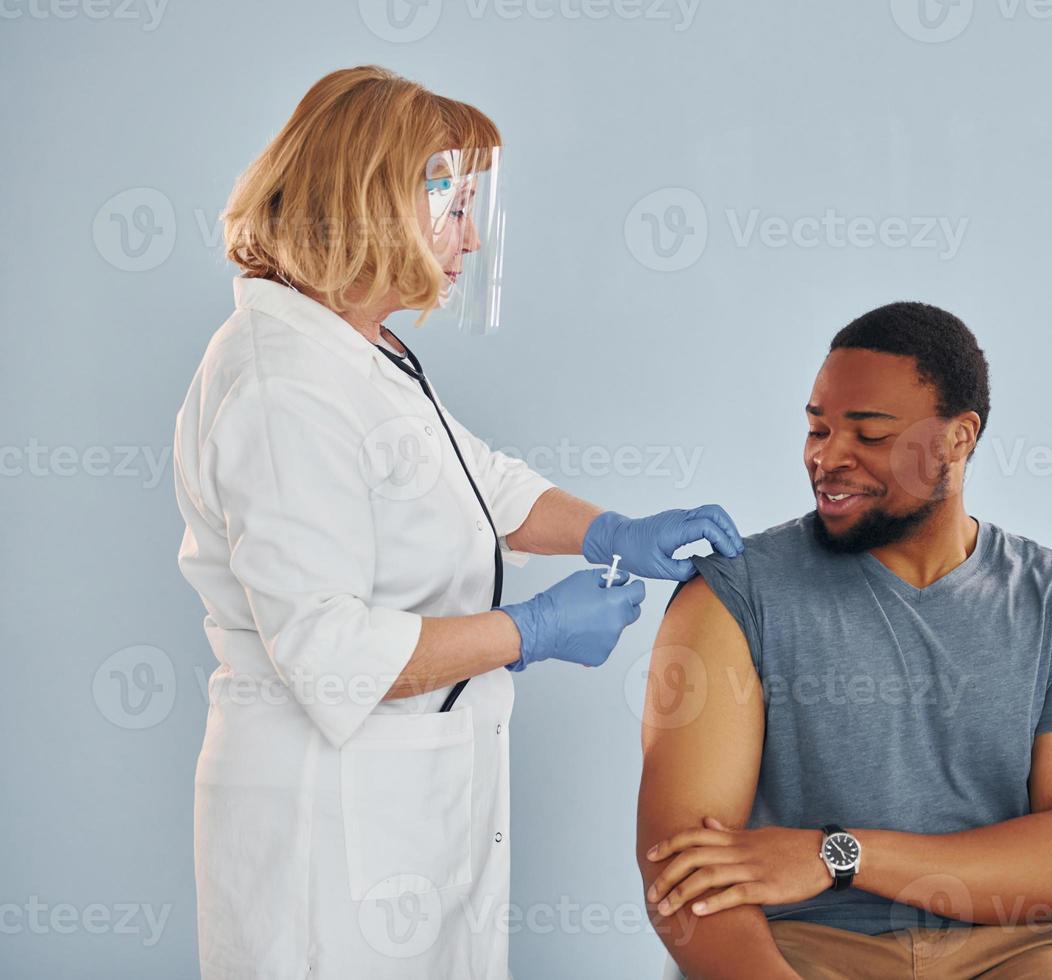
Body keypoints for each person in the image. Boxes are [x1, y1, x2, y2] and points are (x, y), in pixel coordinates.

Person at [172, 65, 742, 979]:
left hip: (407, 798)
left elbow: (484, 485)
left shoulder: (358, 350)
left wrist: (613, 531)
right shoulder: (283, 387)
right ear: (370, 202)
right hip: (326, 819)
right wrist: (532, 631)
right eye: (453, 205)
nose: (471, 237)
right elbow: (326, 649)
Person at [637, 302, 1052, 979]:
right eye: (816, 429)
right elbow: (685, 882)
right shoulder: (732, 594)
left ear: (959, 439)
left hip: (1008, 949)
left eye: (869, 435)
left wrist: (836, 854)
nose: (827, 457)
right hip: (799, 945)